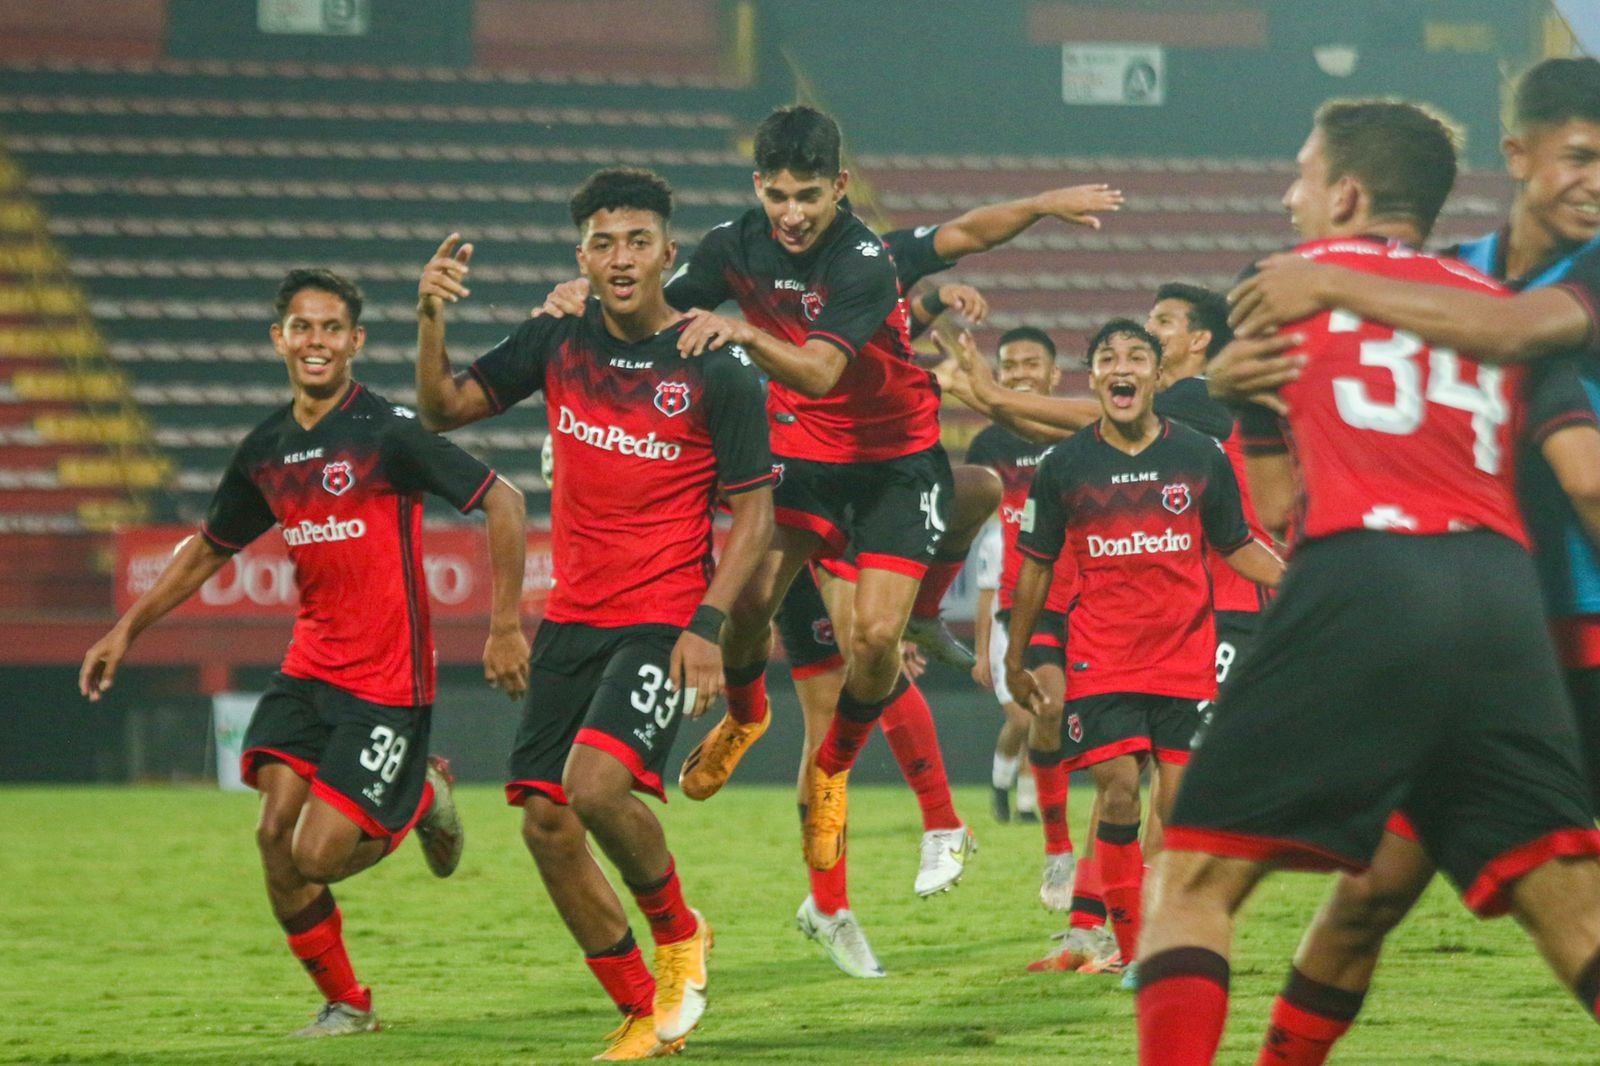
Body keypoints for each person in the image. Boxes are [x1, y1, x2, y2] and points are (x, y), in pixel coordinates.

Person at [1135, 99, 1600, 1066]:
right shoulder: (1490, 302)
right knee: (1574, 917)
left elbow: (1270, 506)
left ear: (1345, 194)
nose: (1290, 195)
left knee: (1191, 883)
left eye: (1302, 176)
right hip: (1505, 602)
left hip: (1366, 574)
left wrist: (1239, 396)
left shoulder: (1284, 286)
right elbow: (1576, 466)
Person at [79, 268, 530, 1038]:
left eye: (331, 329)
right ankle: (349, 1005)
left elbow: (505, 500)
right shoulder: (268, 449)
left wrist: (504, 626)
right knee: (271, 839)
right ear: (279, 338)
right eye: (302, 327)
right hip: (309, 669)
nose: (315, 341)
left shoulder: (387, 431)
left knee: (315, 856)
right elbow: (207, 549)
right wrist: (128, 628)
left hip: (388, 681)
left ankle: (422, 796)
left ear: (354, 342)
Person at [412, 168, 776, 1060]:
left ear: (667, 253)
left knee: (595, 787)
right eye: (604, 244)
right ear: (582, 255)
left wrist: (707, 625)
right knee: (543, 820)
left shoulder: (712, 361)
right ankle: (643, 1014)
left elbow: (757, 513)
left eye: (639, 242)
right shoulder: (556, 337)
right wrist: (430, 317)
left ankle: (680, 930)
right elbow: (441, 409)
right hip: (573, 618)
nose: (621, 259)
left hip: (662, 617)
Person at [1005, 318, 1283, 991]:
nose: (1121, 367)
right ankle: (1133, 953)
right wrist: (1017, 656)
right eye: (1107, 358)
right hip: (1102, 653)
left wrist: (1299, 581)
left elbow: (1236, 541)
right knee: (1120, 790)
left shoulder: (1200, 455)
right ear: (1094, 377)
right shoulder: (1065, 466)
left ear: (1158, 377)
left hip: (1185, 653)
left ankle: (1163, 928)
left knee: (1179, 809)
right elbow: (1037, 566)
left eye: (1136, 357)